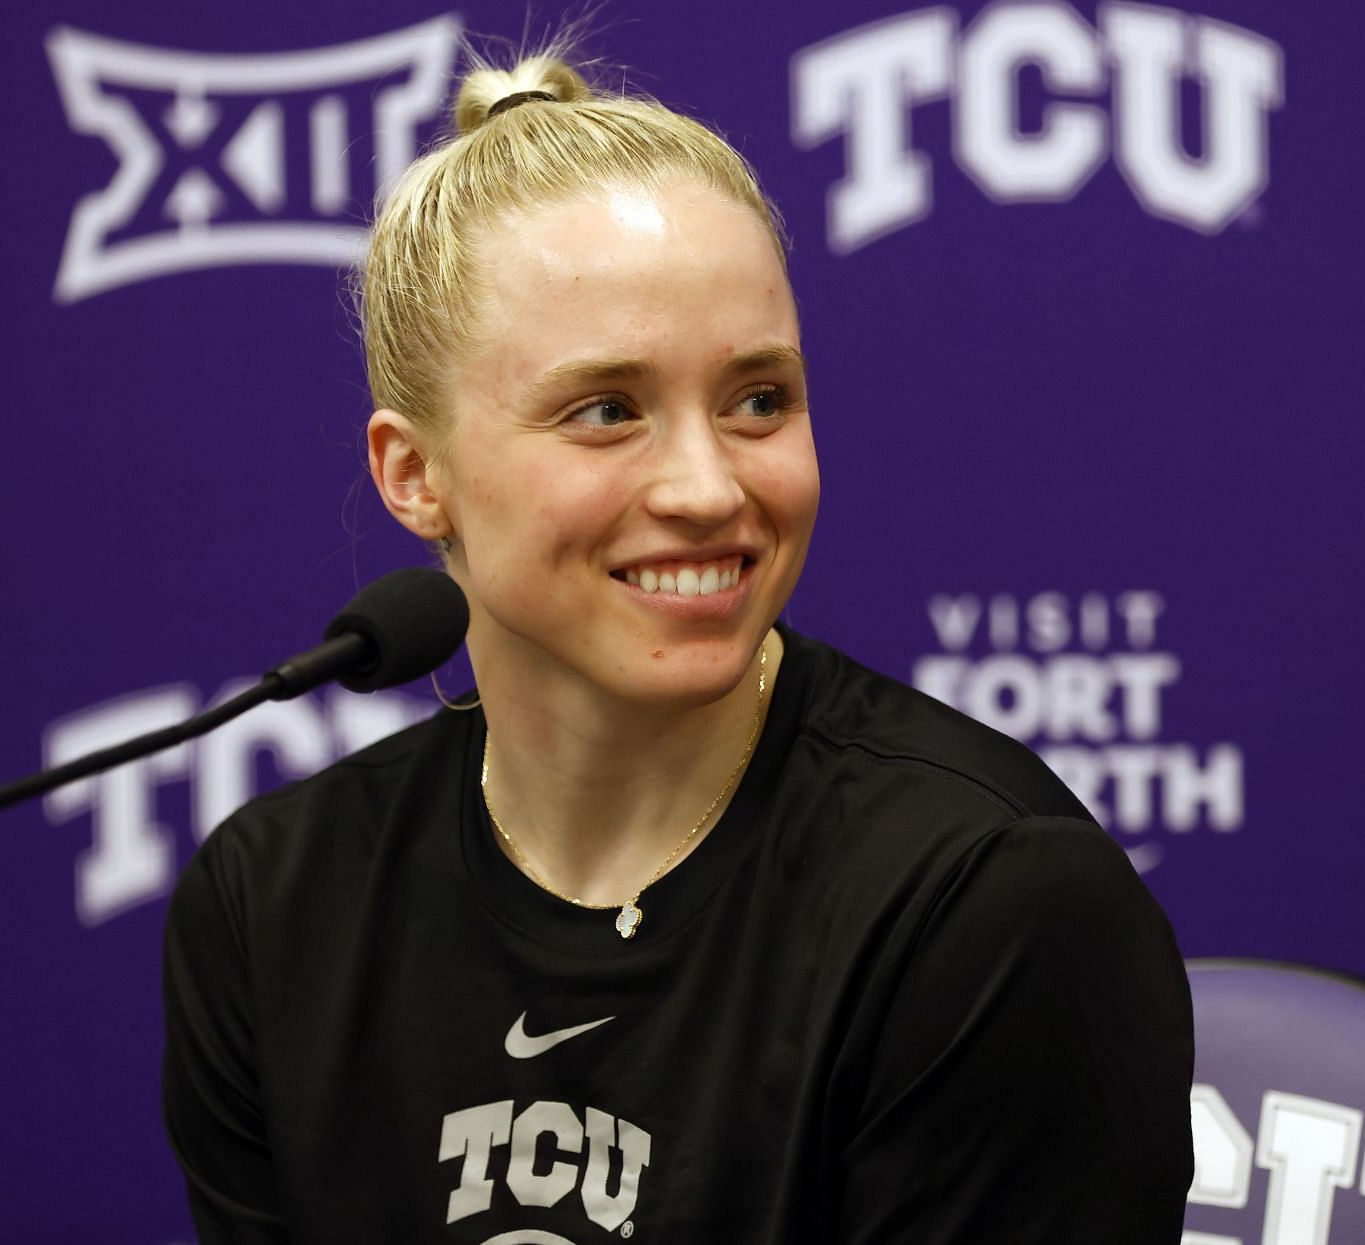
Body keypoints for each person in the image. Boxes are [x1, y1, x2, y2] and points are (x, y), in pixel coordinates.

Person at [163, 44, 1194, 1243]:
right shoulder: (276, 905)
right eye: (608, 411)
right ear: (414, 474)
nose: (708, 488)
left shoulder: (989, 903)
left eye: (760, 399)